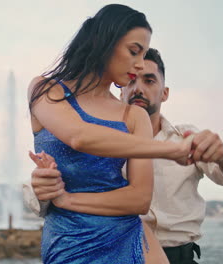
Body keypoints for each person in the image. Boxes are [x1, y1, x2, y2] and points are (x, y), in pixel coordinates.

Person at [24, 48, 223, 264]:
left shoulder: (186, 138)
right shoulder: (94, 142)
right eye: (130, 80)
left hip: (178, 256)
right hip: (107, 253)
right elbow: (39, 199)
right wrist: (42, 188)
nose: (138, 88)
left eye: (149, 80)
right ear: (119, 90)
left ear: (165, 92)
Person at [27, 4, 194, 263]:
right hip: (68, 245)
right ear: (103, 41)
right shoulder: (46, 89)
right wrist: (174, 150)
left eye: (144, 55)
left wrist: (66, 199)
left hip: (130, 238)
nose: (139, 65)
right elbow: (79, 136)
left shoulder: (133, 115)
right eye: (134, 52)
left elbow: (139, 199)